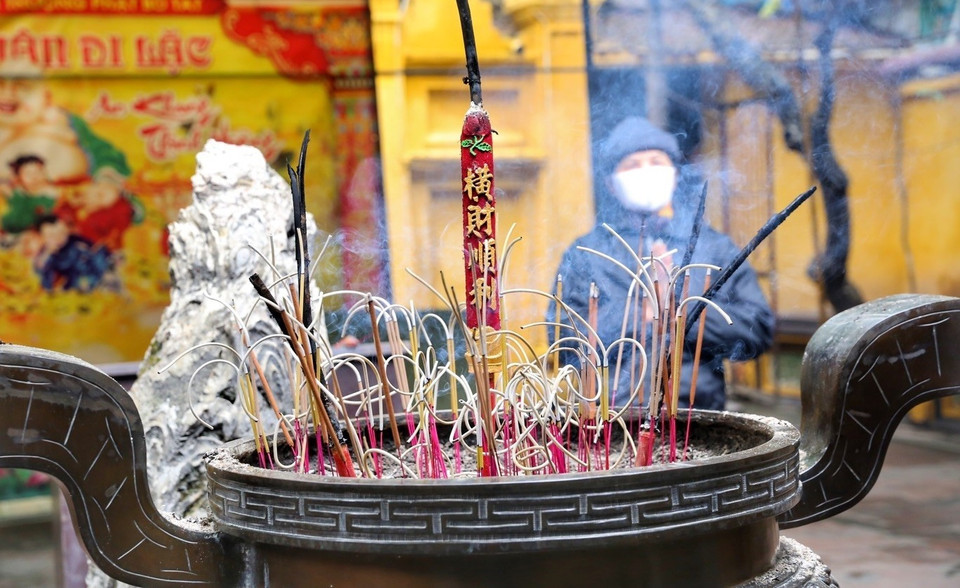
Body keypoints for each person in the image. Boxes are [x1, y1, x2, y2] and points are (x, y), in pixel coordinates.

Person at [547, 116, 774, 410]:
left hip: (698, 415)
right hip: (611, 416)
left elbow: (757, 329)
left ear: (675, 175)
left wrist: (678, 315)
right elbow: (563, 339)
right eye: (632, 165)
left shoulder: (713, 247)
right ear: (611, 184)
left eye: (656, 162)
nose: (646, 172)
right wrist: (639, 316)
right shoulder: (587, 252)